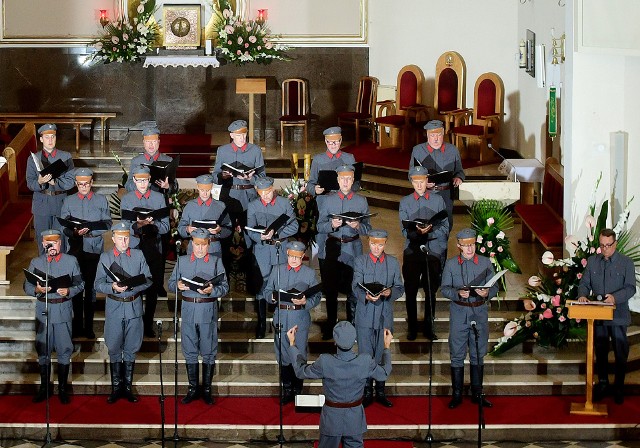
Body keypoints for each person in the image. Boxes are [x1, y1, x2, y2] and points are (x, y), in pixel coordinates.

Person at [286, 321, 393, 448]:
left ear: (335, 342)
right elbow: (384, 373)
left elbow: (300, 371)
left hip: (332, 419)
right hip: (355, 418)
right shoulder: (365, 361)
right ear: (354, 340)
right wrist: (386, 347)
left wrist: (292, 345)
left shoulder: (325, 361)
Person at [168, 228, 229, 405]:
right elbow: (171, 283)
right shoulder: (182, 261)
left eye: (203, 245)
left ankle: (207, 390)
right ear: (191, 244)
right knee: (189, 349)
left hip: (207, 308)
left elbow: (225, 287)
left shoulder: (216, 262)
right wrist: (177, 285)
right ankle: (193, 388)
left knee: (208, 350)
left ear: (209, 244)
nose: (200, 249)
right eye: (196, 245)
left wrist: (213, 290)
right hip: (188, 308)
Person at [94, 222, 152, 404]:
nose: (124, 241)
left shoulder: (138, 254)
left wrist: (135, 286)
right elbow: (97, 284)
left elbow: (148, 279)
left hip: (133, 305)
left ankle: (127, 388)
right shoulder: (105, 256)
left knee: (131, 348)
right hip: (115, 307)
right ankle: (116, 388)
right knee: (114, 347)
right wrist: (111, 286)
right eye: (120, 238)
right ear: (113, 239)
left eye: (126, 237)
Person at [577, 228, 637, 404]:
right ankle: (603, 383)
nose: (605, 249)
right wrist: (582, 295)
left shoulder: (626, 263)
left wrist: (615, 298)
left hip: (618, 315)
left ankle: (619, 386)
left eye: (608, 246)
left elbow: (630, 287)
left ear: (615, 244)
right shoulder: (592, 262)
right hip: (598, 315)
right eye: (602, 246)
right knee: (601, 351)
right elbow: (584, 283)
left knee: (620, 352)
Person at [24, 229, 84, 404]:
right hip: (44, 309)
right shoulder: (36, 262)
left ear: (61, 243)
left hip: (63, 309)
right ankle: (44, 388)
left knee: (64, 349)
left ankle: (63, 388)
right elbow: (26, 286)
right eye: (48, 243)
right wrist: (36, 289)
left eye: (56, 242)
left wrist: (69, 291)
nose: (52, 246)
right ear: (43, 244)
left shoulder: (71, 261)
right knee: (43, 349)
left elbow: (80, 284)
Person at [440, 228, 498, 409]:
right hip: (459, 312)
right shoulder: (450, 265)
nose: (470, 249)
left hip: (479, 312)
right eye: (465, 246)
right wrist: (458, 293)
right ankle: (457, 394)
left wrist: (487, 292)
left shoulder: (485, 262)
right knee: (457, 353)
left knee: (478, 353)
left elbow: (495, 287)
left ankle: (477, 393)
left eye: (472, 245)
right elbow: (444, 289)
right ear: (458, 246)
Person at [262, 241, 321, 404]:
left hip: (299, 317)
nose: (294, 260)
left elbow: (316, 296)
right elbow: (267, 291)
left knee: (299, 353)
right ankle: (287, 389)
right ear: (287, 254)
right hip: (281, 315)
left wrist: (305, 303)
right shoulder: (277, 270)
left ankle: (298, 389)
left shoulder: (309, 273)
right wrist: (272, 297)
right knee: (282, 353)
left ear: (303, 256)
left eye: (297, 257)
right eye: (291, 256)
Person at [316, 164, 371, 339]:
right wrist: (332, 225)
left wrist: (358, 226)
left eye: (349, 179)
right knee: (330, 289)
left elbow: (368, 229)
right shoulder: (328, 200)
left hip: (353, 247)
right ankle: (331, 323)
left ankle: (351, 324)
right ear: (338, 180)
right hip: (333, 247)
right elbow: (319, 226)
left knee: (353, 289)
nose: (346, 182)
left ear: (353, 180)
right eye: (342, 179)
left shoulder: (361, 201)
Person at [352, 230, 404, 408]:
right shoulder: (360, 261)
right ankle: (367, 391)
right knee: (365, 354)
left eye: (380, 244)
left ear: (385, 244)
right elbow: (355, 286)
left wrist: (390, 292)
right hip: (365, 314)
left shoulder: (393, 262)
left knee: (382, 353)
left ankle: (380, 390)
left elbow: (399, 287)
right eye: (373, 244)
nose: (376, 248)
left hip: (384, 314)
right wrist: (366, 296)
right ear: (368, 243)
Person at [125, 126, 177, 298]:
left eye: (154, 141)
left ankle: (158, 283)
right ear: (144, 143)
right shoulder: (136, 161)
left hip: (158, 206)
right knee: (140, 246)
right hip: (141, 205)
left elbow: (175, 186)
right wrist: (140, 181)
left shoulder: (167, 159)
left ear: (159, 142)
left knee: (160, 246)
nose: (151, 145)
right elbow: (127, 186)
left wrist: (167, 186)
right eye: (148, 142)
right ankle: (141, 280)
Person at [60, 168, 112, 339]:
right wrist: (75, 232)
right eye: (80, 184)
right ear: (76, 184)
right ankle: (76, 327)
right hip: (74, 250)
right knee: (75, 288)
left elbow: (107, 223)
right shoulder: (68, 200)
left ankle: (88, 328)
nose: (83, 187)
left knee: (90, 289)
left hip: (93, 250)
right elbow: (63, 226)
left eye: (86, 184)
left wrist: (90, 232)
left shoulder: (101, 199)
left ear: (92, 183)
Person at [398, 165, 449, 341]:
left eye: (422, 181)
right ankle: (412, 328)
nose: (419, 185)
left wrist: (430, 231)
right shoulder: (405, 202)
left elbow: (445, 226)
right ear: (411, 182)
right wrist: (417, 232)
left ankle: (429, 328)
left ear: (427, 181)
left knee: (430, 290)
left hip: (432, 250)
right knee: (410, 291)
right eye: (416, 182)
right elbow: (404, 230)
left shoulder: (438, 200)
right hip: (412, 250)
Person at [120, 165, 170, 338]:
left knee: (152, 288)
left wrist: (153, 224)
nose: (142, 183)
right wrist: (138, 224)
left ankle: (148, 324)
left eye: (145, 180)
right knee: (135, 287)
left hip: (153, 247)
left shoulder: (159, 198)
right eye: (138, 180)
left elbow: (166, 227)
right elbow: (124, 226)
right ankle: (135, 326)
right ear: (133, 180)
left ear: (150, 180)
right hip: (134, 248)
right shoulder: (127, 199)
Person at [246, 176, 298, 338]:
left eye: (268, 192)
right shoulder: (253, 206)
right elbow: (250, 229)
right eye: (262, 193)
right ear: (257, 191)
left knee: (280, 283)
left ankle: (279, 322)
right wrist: (259, 237)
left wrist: (277, 233)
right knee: (262, 284)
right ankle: (261, 322)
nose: (266, 196)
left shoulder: (283, 203)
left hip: (280, 248)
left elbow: (294, 225)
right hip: (262, 249)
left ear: (273, 189)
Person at [26, 124, 75, 254]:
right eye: (46, 137)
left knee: (61, 240)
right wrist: (40, 182)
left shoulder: (66, 157)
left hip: (61, 203)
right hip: (41, 203)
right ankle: (45, 271)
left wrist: (56, 182)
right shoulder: (33, 159)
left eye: (52, 136)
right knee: (43, 240)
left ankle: (61, 271)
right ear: (41, 139)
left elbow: (70, 182)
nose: (50, 140)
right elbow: (30, 183)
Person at [410, 120, 465, 230]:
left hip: (446, 194)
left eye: (439, 135)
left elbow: (459, 171)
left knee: (446, 224)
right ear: (427, 135)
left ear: (443, 133)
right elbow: (411, 174)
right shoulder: (418, 151)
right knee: (427, 224)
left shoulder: (453, 150)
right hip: (427, 193)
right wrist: (423, 183)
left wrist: (458, 178)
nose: (436, 139)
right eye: (432, 135)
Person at [212, 119, 265, 228]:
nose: (242, 138)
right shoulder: (222, 151)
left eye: (244, 134)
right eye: (238, 135)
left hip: (249, 197)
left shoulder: (255, 150)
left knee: (250, 234)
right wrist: (222, 176)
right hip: (229, 195)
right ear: (232, 135)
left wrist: (251, 178)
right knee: (226, 234)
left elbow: (263, 177)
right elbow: (215, 175)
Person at [177, 174, 232, 258]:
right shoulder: (190, 206)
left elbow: (228, 229)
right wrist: (187, 229)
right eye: (202, 190)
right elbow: (180, 228)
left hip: (213, 248)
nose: (205, 193)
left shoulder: (220, 206)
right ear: (197, 188)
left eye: (208, 190)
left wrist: (219, 230)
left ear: (212, 188)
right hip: (194, 248)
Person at [306, 127, 358, 206]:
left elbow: (356, 184)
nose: (333, 145)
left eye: (336, 142)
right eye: (330, 142)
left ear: (341, 140)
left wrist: (348, 188)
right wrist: (315, 190)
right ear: (325, 141)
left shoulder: (349, 158)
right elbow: (310, 185)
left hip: (345, 200)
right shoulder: (318, 160)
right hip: (324, 201)